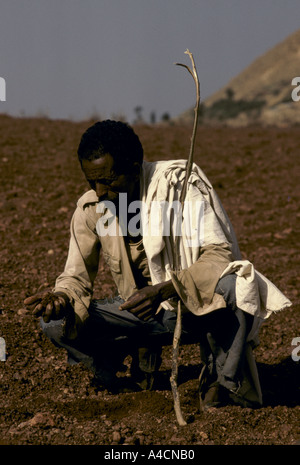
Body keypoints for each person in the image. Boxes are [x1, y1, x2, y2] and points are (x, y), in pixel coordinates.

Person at [24, 120, 291, 410]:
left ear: (134, 166)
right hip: (138, 312)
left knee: (236, 285)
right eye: (91, 181)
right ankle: (116, 369)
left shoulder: (179, 186)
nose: (99, 191)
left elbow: (219, 256)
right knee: (54, 323)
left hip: (192, 308)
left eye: (109, 180)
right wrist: (61, 297)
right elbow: (75, 277)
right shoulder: (92, 210)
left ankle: (224, 383)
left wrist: (164, 291)